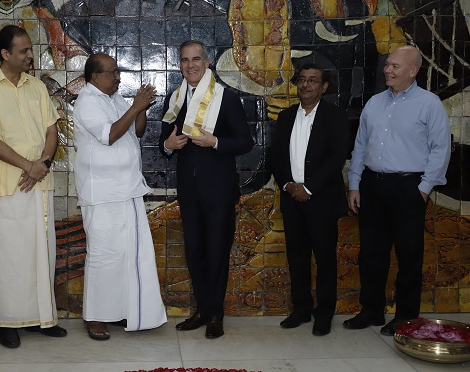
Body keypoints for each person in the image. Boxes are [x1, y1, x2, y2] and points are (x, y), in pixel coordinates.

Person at [344, 45, 451, 336]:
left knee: (409, 255)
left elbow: (441, 149)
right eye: (388, 65)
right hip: (372, 186)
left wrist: (424, 189)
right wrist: (354, 184)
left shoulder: (429, 104)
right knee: (371, 254)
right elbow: (360, 146)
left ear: (413, 70)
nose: (387, 70)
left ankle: (405, 317)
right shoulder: (374, 103)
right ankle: (371, 310)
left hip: (409, 188)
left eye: (395, 66)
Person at [0, 25, 66, 348]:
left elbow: (52, 129)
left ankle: (42, 318)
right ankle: (7, 321)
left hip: (40, 183)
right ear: (5, 54)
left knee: (43, 252)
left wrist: (44, 165)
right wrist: (29, 166)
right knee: (11, 257)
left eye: (30, 50)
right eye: (23, 51)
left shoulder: (36, 87)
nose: (30, 55)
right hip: (11, 184)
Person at [159, 40, 254, 339]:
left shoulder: (225, 98)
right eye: (185, 60)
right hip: (189, 191)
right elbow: (166, 143)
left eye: (196, 59)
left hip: (219, 191)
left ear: (207, 61)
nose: (191, 65)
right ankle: (201, 310)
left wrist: (216, 142)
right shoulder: (174, 100)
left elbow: (245, 141)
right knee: (195, 252)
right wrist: (167, 145)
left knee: (216, 252)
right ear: (180, 65)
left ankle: (216, 314)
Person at [73, 53, 167, 340]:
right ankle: (95, 317)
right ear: (95, 76)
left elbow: (136, 132)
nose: (117, 77)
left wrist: (141, 108)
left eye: (117, 72)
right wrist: (135, 105)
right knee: (103, 255)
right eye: (112, 72)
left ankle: (120, 310)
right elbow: (110, 135)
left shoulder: (113, 98)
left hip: (126, 189)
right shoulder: (87, 101)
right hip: (101, 192)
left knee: (126, 255)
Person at [270, 64, 349, 336]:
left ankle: (324, 314)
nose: (306, 85)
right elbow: (276, 157)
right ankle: (301, 309)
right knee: (297, 258)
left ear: (324, 86)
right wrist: (289, 185)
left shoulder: (335, 117)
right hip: (292, 199)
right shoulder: (286, 116)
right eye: (302, 80)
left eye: (313, 80)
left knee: (325, 259)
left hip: (322, 201)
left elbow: (337, 157)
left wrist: (310, 188)